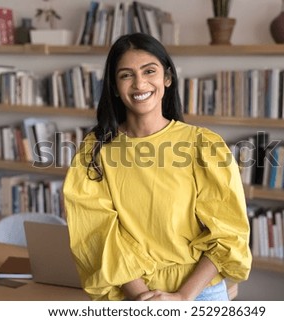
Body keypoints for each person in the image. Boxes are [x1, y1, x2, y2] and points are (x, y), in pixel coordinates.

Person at [63, 33, 252, 301]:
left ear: (167, 78)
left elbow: (228, 231)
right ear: (115, 87)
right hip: (131, 295)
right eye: (126, 75)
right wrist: (145, 298)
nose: (140, 83)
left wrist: (183, 298)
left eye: (149, 71)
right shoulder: (96, 148)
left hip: (200, 294)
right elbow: (96, 233)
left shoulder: (202, 143)